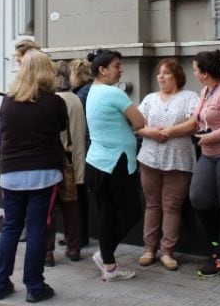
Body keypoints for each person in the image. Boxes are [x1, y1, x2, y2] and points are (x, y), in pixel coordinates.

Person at [0, 50, 68, 303]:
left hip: (11, 172)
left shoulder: (8, 101)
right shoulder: (54, 102)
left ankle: (0, 283)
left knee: (10, 228)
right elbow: (60, 128)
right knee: (37, 229)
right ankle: (34, 286)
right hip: (43, 173)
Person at [85, 49, 145, 282]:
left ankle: (108, 265)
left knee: (107, 213)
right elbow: (140, 122)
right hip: (116, 163)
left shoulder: (92, 91)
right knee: (132, 212)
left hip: (97, 162)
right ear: (102, 69)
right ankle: (105, 255)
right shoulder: (114, 93)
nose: (121, 69)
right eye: (117, 65)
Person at [134, 59, 199, 271]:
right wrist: (150, 132)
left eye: (166, 73)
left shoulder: (189, 97)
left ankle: (167, 251)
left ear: (177, 76)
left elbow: (194, 123)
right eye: (159, 73)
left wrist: (169, 131)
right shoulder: (150, 99)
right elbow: (136, 125)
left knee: (171, 206)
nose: (161, 77)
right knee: (152, 204)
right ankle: (149, 249)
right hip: (150, 159)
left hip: (178, 160)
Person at [186, 50, 220, 277]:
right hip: (206, 153)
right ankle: (219, 244)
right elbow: (197, 118)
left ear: (205, 73)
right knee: (198, 197)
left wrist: (212, 136)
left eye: (195, 70)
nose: (194, 73)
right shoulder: (206, 90)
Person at [45, 60, 86, 266]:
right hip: (75, 162)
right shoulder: (76, 99)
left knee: (49, 208)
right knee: (72, 207)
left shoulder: (53, 100)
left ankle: (48, 252)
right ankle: (74, 247)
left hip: (56, 161)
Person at [69, 57, 94, 246]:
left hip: (82, 148)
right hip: (88, 147)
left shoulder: (81, 95)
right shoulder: (88, 90)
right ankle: (80, 235)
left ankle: (80, 236)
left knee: (79, 194)